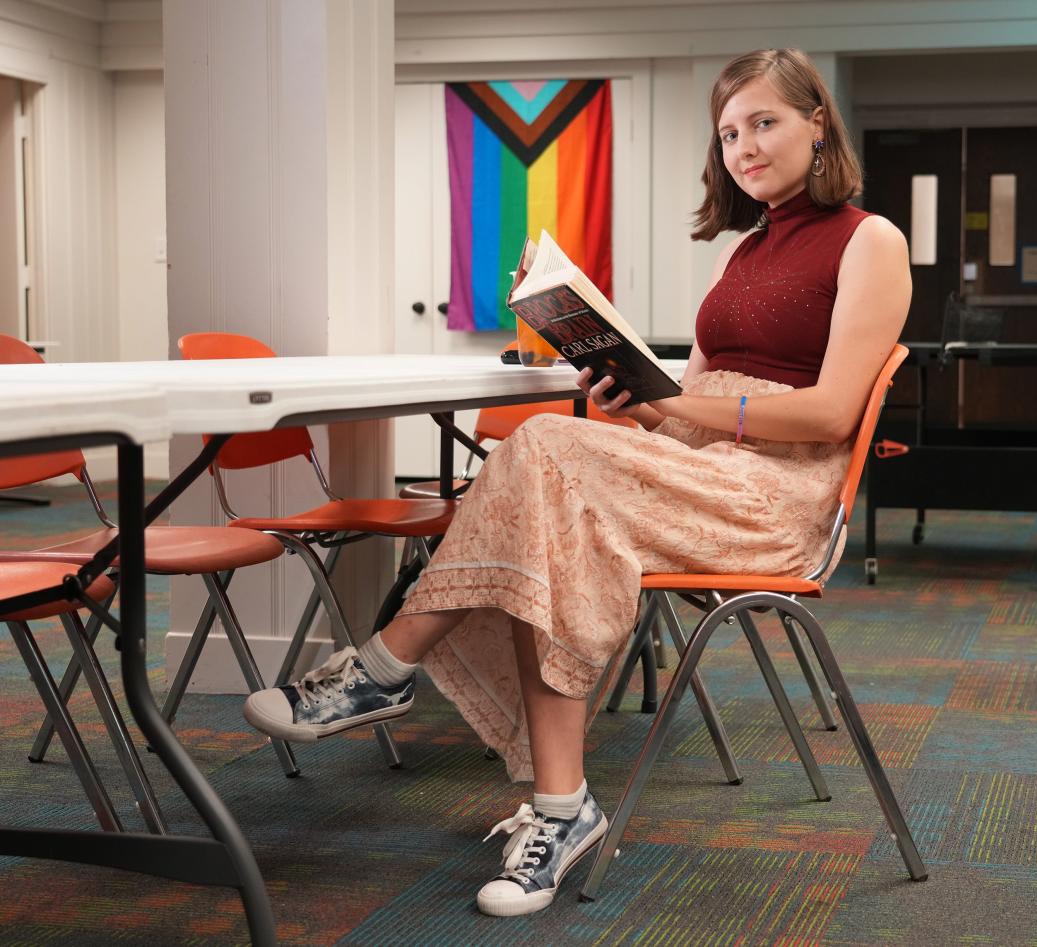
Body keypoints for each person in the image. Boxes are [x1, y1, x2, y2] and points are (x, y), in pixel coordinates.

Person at [242, 47, 911, 917]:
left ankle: (387, 666)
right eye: (729, 132)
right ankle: (560, 808)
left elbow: (829, 415)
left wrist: (690, 410)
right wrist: (626, 391)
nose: (744, 147)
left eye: (764, 123)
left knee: (547, 451)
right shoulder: (744, 253)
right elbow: (680, 415)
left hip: (776, 496)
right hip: (694, 468)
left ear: (818, 122)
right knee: (555, 500)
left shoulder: (871, 239)